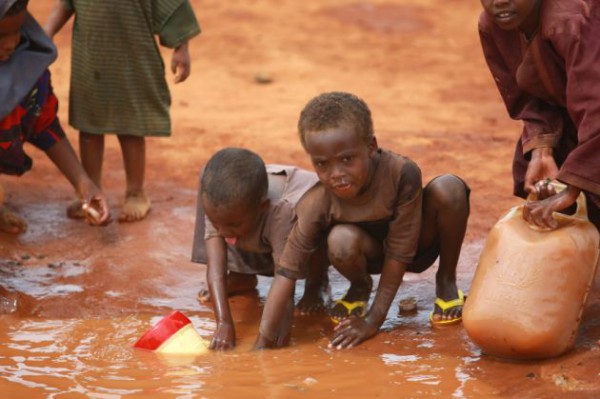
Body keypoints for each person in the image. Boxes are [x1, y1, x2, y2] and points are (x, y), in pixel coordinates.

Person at [254, 92, 470, 350]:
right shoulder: (317, 201)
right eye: (322, 164)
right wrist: (262, 345)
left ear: (370, 146)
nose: (337, 174)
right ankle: (360, 286)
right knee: (340, 239)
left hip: (414, 246)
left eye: (347, 159)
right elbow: (286, 273)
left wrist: (372, 321)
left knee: (449, 188)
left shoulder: (400, 172)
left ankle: (446, 280)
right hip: (368, 255)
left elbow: (401, 249)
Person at [43, 0, 201, 222]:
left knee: (131, 128)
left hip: (133, 61)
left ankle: (136, 192)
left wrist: (181, 48)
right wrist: (45, 33)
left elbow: (173, 6)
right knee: (89, 127)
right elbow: (65, 4)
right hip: (91, 61)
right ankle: (91, 191)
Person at [478, 0, 600, 231]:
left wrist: (573, 187)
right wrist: (542, 149)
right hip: (581, 121)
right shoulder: (493, 25)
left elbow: (596, 106)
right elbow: (528, 100)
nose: (500, 1)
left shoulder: (571, 19)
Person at [192, 147, 329, 350]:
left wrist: (269, 339)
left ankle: (317, 283)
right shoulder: (220, 203)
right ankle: (242, 276)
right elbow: (215, 267)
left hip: (303, 237)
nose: (222, 230)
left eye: (232, 224)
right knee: (229, 231)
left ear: (262, 206)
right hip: (259, 229)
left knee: (316, 232)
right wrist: (224, 323)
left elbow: (284, 278)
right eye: (215, 222)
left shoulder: (282, 209)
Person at [0, 0, 110, 234]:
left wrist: (84, 185)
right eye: (1, 35)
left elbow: (44, 124)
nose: (10, 44)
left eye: (17, 32)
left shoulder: (28, 67)